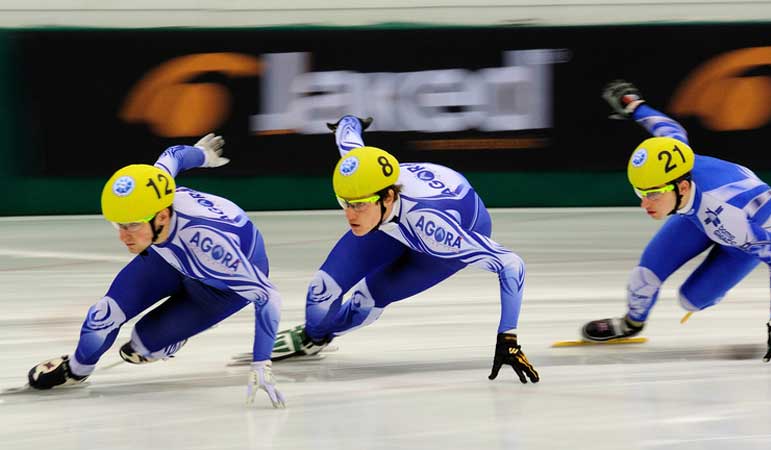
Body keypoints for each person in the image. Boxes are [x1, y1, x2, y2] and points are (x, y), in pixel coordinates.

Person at [270, 115, 539, 384]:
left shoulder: (434, 229)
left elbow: (510, 263)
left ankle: (325, 335)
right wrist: (350, 121)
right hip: (392, 220)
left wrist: (508, 337)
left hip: (440, 245)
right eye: (344, 203)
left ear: (387, 197)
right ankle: (313, 338)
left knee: (364, 299)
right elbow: (348, 134)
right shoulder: (362, 171)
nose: (350, 214)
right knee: (321, 289)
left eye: (359, 204)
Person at [26, 134, 287, 406]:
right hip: (171, 256)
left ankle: (164, 342)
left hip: (219, 288)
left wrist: (261, 362)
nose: (123, 237)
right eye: (118, 225)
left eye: (132, 225)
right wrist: (204, 155)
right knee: (102, 316)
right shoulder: (155, 189)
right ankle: (76, 370)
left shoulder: (209, 244)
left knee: (141, 348)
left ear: (161, 216)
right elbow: (173, 155)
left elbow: (268, 297)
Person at [582, 80, 771, 365]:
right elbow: (670, 130)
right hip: (700, 214)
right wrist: (634, 105)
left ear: (681, 187)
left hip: (745, 230)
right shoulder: (676, 159)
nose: (644, 204)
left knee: (691, 300)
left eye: (653, 194)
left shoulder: (726, 217)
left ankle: (715, 289)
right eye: (640, 193)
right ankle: (631, 324)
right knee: (643, 278)